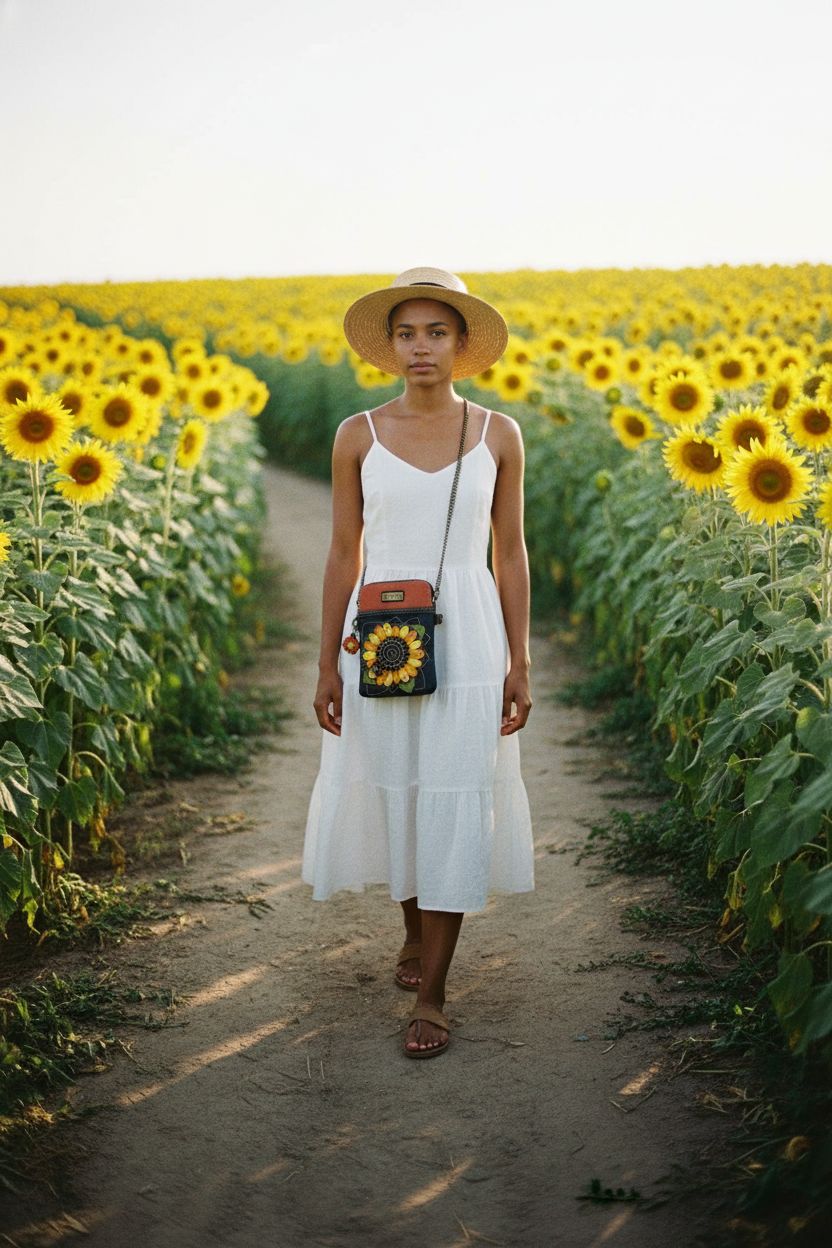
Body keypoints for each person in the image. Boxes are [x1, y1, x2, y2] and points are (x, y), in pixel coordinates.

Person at [303, 267, 534, 1059]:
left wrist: (521, 659)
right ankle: (413, 933)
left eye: (437, 332)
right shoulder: (357, 434)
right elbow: (342, 551)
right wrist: (326, 664)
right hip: (382, 630)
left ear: (463, 345)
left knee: (454, 789)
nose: (421, 347)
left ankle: (434, 992)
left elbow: (512, 552)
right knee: (401, 786)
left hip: (469, 632)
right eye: (407, 333)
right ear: (389, 346)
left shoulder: (499, 433)